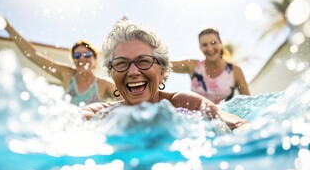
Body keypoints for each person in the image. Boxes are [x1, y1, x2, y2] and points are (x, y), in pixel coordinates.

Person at [81, 20, 248, 130]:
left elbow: (236, 122)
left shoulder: (184, 104)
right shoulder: (101, 114)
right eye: (121, 63)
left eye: (144, 61)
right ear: (112, 73)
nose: (132, 72)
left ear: (162, 71)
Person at [0, 13, 117, 105]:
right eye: (77, 55)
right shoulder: (66, 74)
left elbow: (126, 103)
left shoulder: (104, 84)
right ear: (73, 60)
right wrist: (8, 27)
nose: (82, 58)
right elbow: (32, 54)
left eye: (87, 55)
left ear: (95, 59)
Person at [171, 27, 250, 104]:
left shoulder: (235, 71)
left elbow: (248, 102)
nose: (210, 48)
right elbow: (164, 64)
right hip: (196, 116)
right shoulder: (192, 66)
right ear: (200, 48)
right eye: (205, 45)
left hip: (224, 116)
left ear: (220, 43)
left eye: (213, 43)